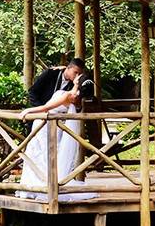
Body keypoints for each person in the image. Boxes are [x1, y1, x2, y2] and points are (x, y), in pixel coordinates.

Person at [16, 72, 96, 200]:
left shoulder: (68, 96)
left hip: (43, 127)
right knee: (46, 156)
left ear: (77, 82)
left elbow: (47, 107)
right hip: (54, 129)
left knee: (39, 156)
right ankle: (43, 184)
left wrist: (28, 110)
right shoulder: (77, 101)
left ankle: (38, 185)